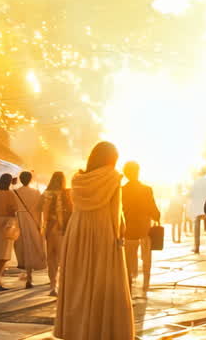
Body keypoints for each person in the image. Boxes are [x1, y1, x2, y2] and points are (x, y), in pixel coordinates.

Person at [54, 141, 135, 339]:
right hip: (103, 229)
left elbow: (75, 205)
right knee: (104, 280)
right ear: (112, 159)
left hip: (78, 230)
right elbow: (117, 212)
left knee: (78, 280)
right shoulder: (114, 177)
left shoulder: (78, 179)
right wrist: (120, 236)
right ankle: (101, 330)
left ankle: (76, 330)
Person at [121, 161, 160, 297]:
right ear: (138, 171)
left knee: (128, 261)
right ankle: (145, 286)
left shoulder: (122, 190)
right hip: (145, 230)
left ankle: (128, 286)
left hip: (128, 231)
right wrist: (157, 215)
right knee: (146, 259)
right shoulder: (146, 189)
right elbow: (153, 208)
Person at [13, 170, 47, 289]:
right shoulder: (36, 192)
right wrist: (40, 223)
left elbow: (13, 209)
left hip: (20, 222)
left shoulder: (15, 192)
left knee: (23, 248)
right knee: (33, 247)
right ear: (30, 179)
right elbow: (40, 209)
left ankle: (27, 274)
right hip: (33, 221)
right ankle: (30, 275)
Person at [41, 171, 72, 296]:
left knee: (51, 258)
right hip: (62, 229)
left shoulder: (46, 193)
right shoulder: (67, 194)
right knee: (62, 258)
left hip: (49, 228)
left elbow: (44, 212)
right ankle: (63, 285)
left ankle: (53, 285)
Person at [189, 170, 206, 254]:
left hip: (198, 208)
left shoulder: (195, 183)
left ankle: (196, 247)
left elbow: (191, 195)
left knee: (197, 229)